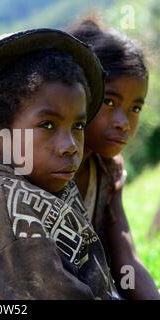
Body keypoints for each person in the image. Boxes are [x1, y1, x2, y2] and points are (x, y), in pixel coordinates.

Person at [0, 28, 121, 299]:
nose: (70, 145)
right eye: (47, 125)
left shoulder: (43, 182)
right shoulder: (0, 205)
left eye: (78, 125)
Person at [68, 19, 160, 300]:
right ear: (80, 94)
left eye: (135, 108)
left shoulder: (108, 172)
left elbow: (126, 260)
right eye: (110, 101)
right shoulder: (39, 171)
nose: (124, 122)